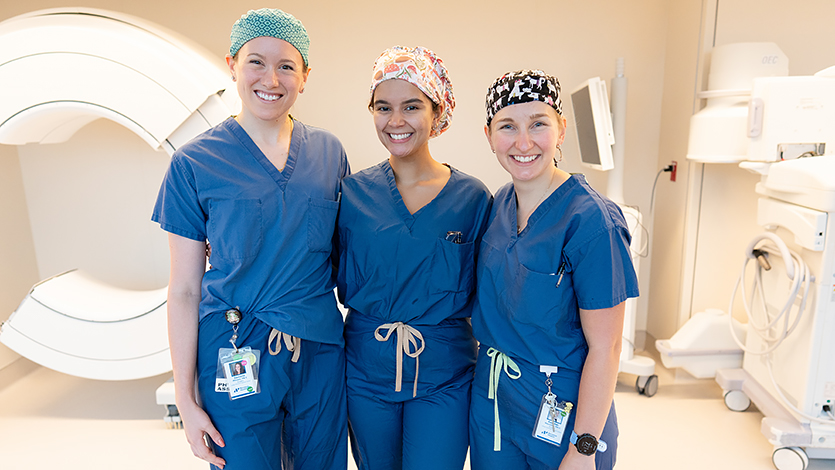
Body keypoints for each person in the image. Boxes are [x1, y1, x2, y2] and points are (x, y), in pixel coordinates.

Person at [152, 9, 349, 470]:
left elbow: (343, 257)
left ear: (305, 77)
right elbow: (183, 288)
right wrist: (184, 395)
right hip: (235, 346)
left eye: (287, 66)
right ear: (232, 65)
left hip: (318, 348)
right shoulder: (194, 163)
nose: (271, 78)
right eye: (256, 62)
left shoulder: (328, 152)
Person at [468, 70, 639, 470]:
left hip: (565, 409)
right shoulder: (499, 204)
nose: (523, 142)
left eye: (538, 124)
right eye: (507, 126)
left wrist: (583, 449)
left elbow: (607, 348)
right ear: (490, 135)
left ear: (561, 129)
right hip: (494, 404)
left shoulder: (593, 221)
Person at [335, 45, 492, 470]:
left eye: (411, 106)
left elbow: (493, 291)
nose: (396, 121)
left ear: (437, 111)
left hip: (445, 373)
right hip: (366, 371)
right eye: (383, 107)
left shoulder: (472, 198)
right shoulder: (351, 194)